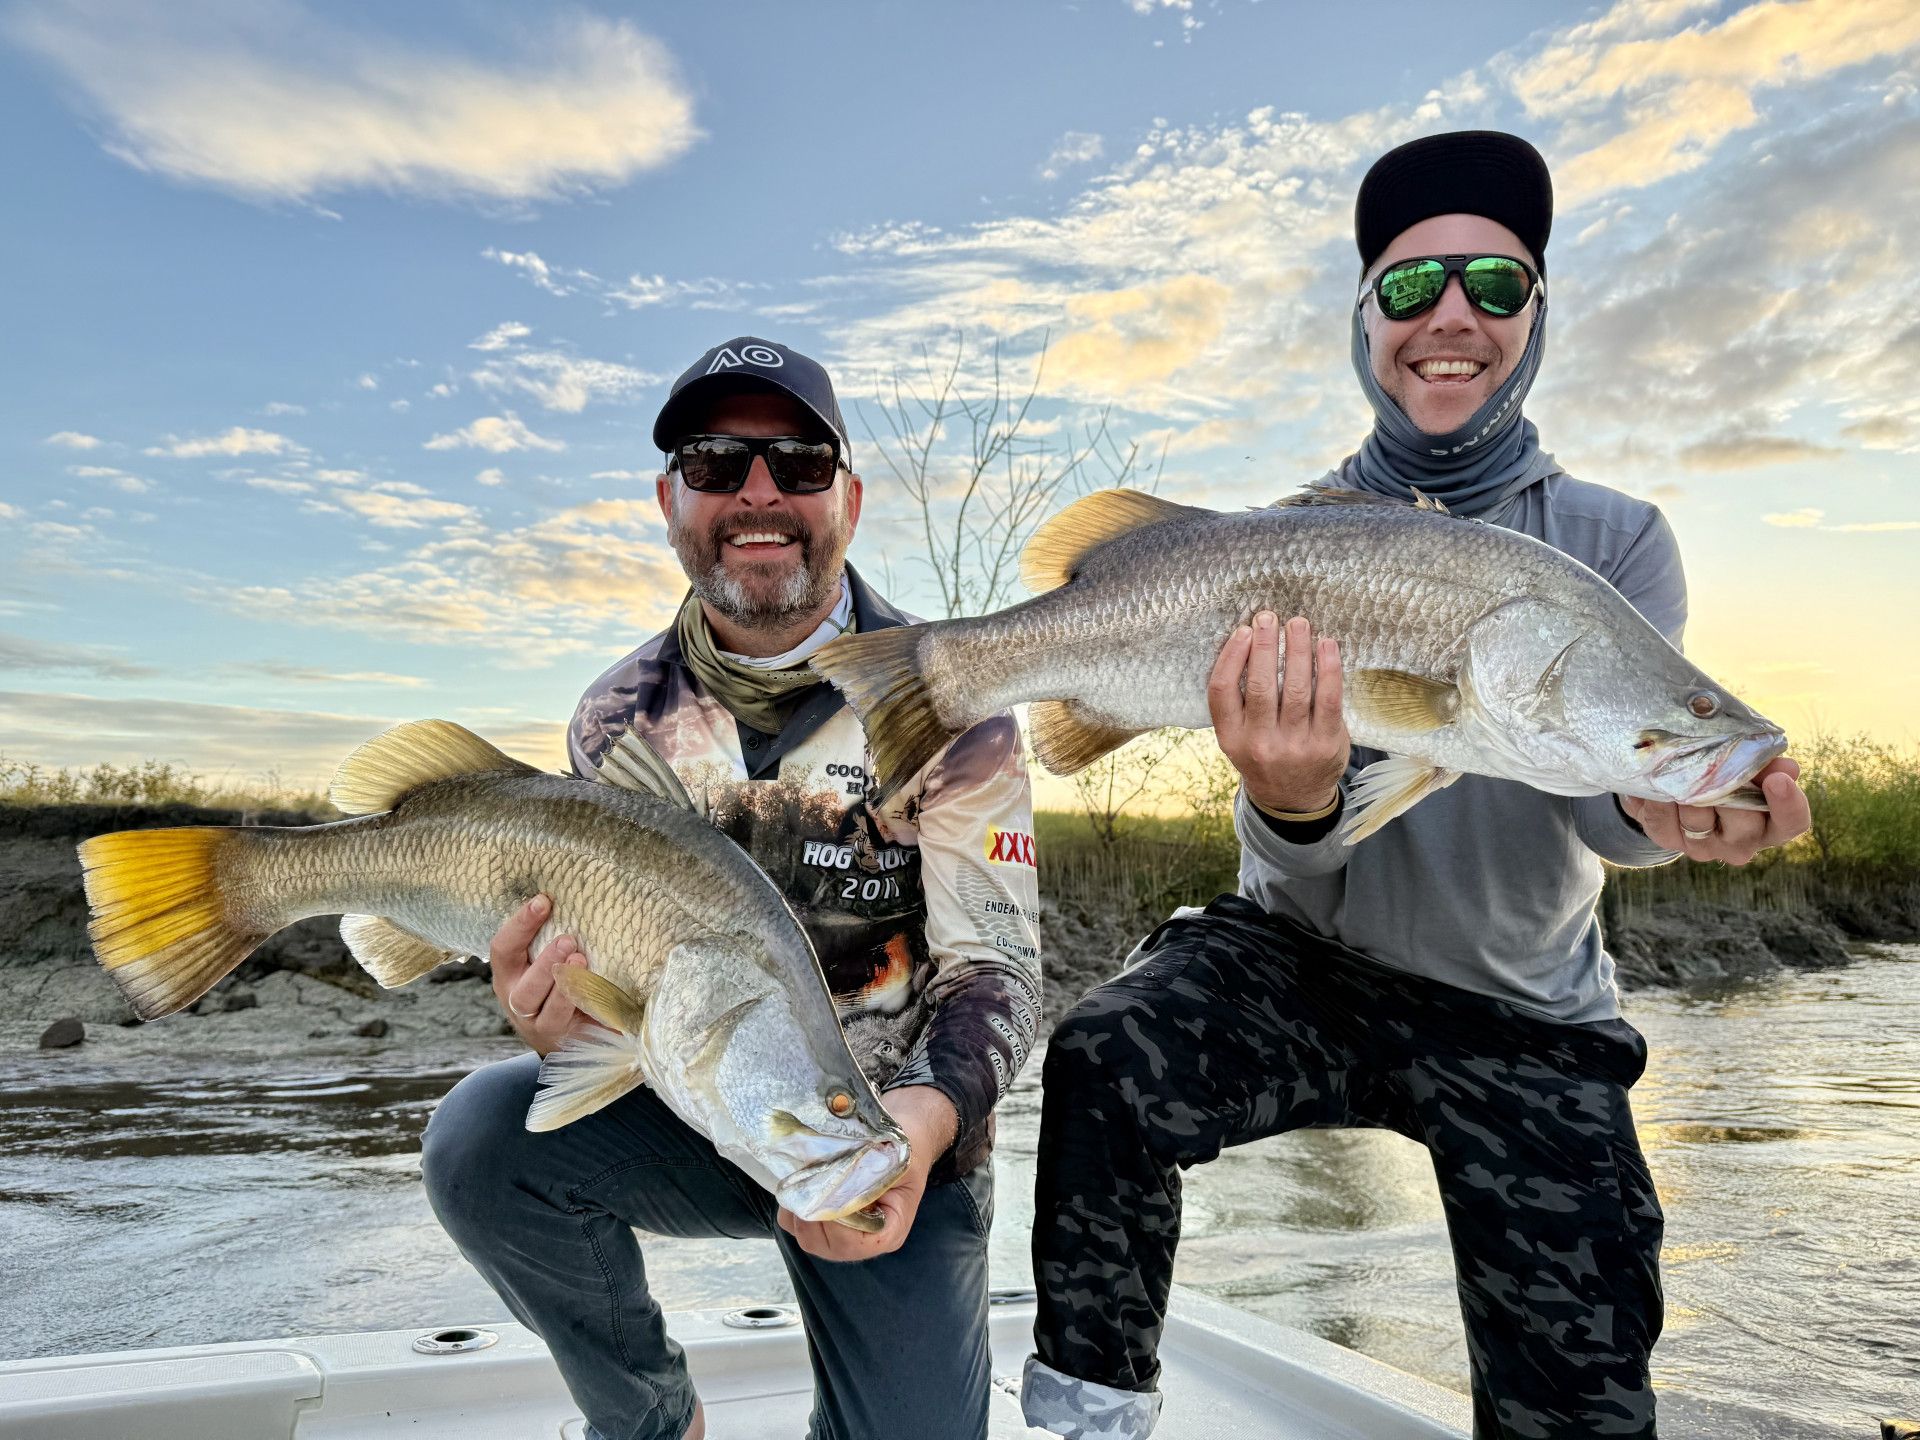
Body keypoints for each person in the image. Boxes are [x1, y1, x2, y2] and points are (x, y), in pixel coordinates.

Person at [1020, 132, 1812, 1440]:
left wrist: (1675, 810)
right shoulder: (1276, 537)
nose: (1451, 316)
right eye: (1410, 287)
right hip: (1301, 960)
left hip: (1526, 1007)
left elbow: (1603, 795)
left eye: (1494, 288)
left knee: (1585, 1408)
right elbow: (1298, 852)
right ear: (1364, 322)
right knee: (1104, 1054)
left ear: (1536, 316)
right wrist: (1291, 798)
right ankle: (1088, 1416)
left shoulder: (1616, 542)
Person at [422, 337, 1044, 1440]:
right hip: (690, 1112)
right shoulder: (613, 717)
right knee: (480, 1140)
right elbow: (600, 987)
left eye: (799, 464)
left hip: (886, 1143)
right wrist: (544, 1013)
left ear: (848, 498)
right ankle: (657, 1421)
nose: (759, 494)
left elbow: (999, 972)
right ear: (671, 500)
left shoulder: (955, 701)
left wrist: (924, 1125)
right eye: (716, 463)